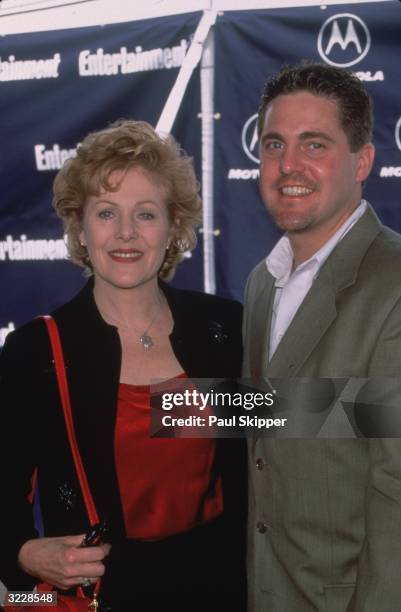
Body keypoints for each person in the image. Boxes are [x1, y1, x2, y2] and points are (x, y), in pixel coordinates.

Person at [0, 120, 246, 611]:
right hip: (109, 596)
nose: (126, 233)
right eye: (107, 213)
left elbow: (284, 425)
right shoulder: (37, 351)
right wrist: (25, 553)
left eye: (146, 214)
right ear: (81, 228)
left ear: (174, 227)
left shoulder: (223, 328)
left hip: (224, 588)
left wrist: (379, 410)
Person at [243, 62, 401, 612]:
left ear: (363, 161)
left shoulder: (395, 284)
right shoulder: (263, 282)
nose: (288, 165)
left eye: (314, 145)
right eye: (274, 144)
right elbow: (270, 419)